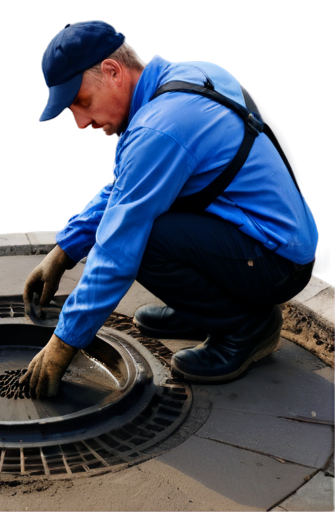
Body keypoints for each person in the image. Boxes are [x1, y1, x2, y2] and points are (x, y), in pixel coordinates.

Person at [20, 21, 318, 398]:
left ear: (112, 72)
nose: (80, 123)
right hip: (272, 237)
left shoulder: (160, 129)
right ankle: (205, 308)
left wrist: (64, 343)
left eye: (81, 102)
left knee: (140, 239)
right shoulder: (187, 78)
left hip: (276, 264)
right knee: (142, 215)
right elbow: (125, 187)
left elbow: (117, 246)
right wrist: (64, 251)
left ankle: (245, 326)